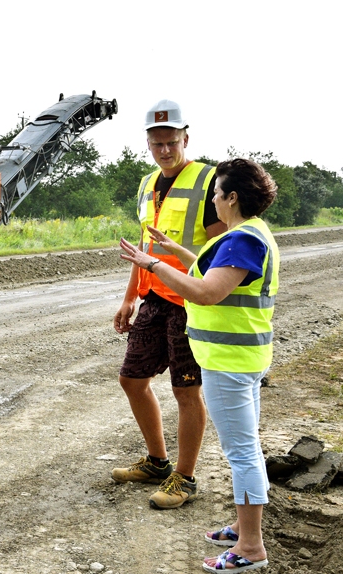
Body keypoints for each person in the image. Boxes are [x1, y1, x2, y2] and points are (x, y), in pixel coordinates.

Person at [119, 158, 278, 573]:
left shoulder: (241, 238)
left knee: (241, 454)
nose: (212, 199)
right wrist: (173, 252)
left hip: (229, 363)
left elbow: (208, 292)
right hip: (240, 359)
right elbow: (216, 271)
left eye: (216, 192)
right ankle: (244, 529)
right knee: (246, 450)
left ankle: (250, 547)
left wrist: (153, 265)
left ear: (232, 197)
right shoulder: (249, 233)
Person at [111, 99, 226, 509]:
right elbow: (144, 247)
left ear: (185, 139)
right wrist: (129, 298)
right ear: (148, 143)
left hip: (191, 301)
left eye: (171, 142)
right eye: (157, 143)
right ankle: (158, 462)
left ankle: (185, 477)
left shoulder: (208, 181)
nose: (165, 150)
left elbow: (219, 250)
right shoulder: (146, 184)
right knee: (132, 379)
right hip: (155, 297)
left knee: (186, 390)